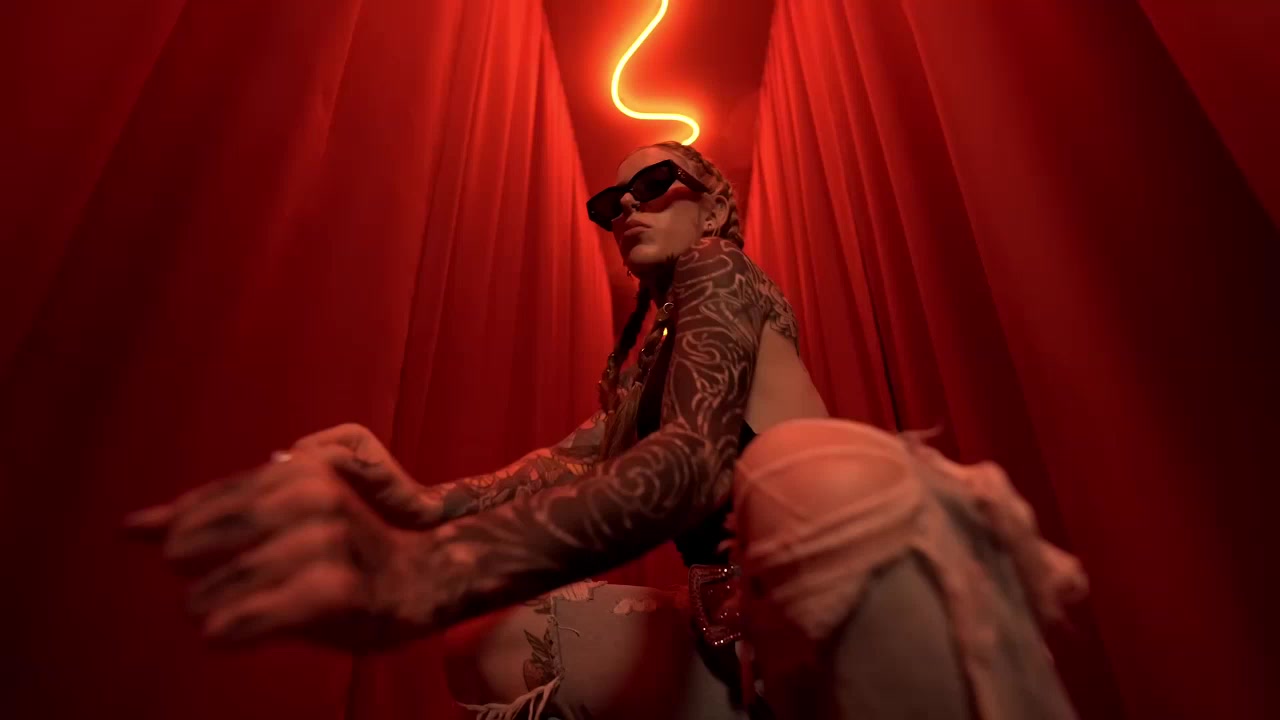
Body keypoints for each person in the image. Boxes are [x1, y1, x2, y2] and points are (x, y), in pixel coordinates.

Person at [125, 141, 1088, 719]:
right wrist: (417, 505)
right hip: (739, 640)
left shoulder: (720, 272)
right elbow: (578, 458)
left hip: (855, 605)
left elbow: (692, 461)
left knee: (810, 471)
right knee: (497, 643)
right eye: (608, 201)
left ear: (714, 204)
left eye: (654, 182)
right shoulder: (646, 349)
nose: (625, 204)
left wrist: (430, 570)